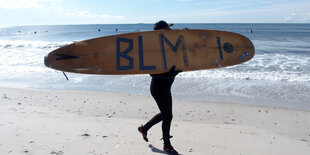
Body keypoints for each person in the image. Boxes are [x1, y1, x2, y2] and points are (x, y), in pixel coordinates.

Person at [138, 20, 181, 155]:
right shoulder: (155, 51)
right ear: (162, 31)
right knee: (168, 115)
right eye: (168, 28)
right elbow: (153, 73)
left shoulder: (169, 46)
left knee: (166, 115)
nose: (170, 29)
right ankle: (167, 145)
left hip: (166, 88)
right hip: (158, 88)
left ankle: (144, 129)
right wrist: (174, 72)